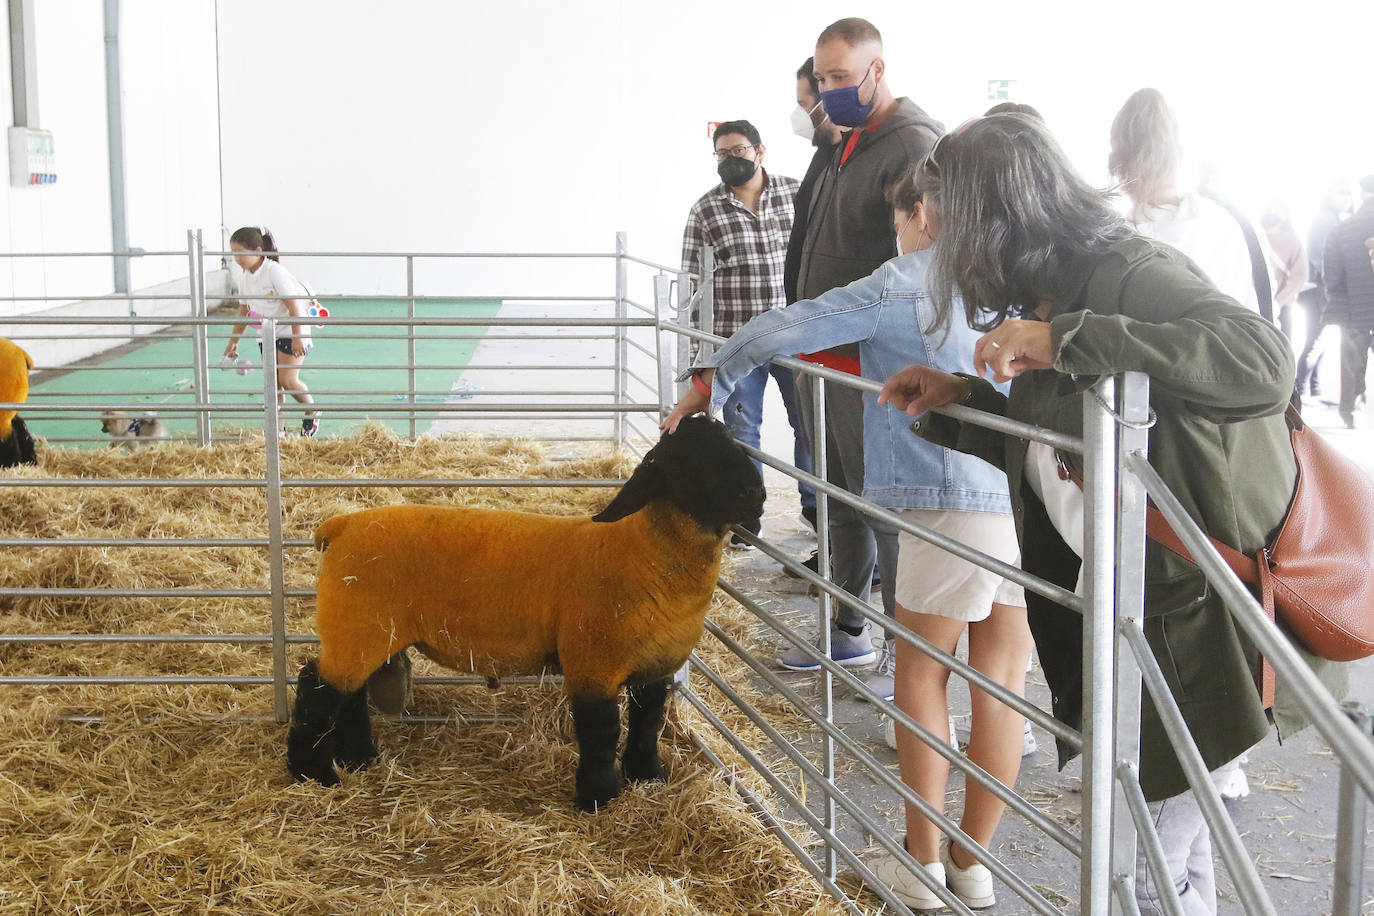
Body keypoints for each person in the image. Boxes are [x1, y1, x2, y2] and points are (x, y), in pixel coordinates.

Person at [877, 113, 1346, 916]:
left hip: (1192, 615)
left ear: (996, 217)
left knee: (1139, 859)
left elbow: (1260, 360)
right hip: (1137, 605)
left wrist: (1068, 339)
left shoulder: (1126, 271)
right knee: (1168, 859)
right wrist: (961, 405)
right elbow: (1065, 447)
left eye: (952, 223)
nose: (946, 245)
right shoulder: (1049, 291)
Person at [663, 170, 1030, 911]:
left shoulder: (905, 279)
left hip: (940, 499)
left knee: (922, 677)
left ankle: (922, 866)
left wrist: (710, 381)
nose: (898, 237)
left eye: (900, 223)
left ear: (920, 214)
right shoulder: (1010, 274)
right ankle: (973, 863)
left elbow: (784, 326)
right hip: (1018, 498)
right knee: (1003, 685)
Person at [782, 17, 943, 677]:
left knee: (887, 510)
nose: (827, 90)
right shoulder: (844, 141)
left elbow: (927, 260)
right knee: (840, 502)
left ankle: (914, 663)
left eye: (841, 78)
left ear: (878, 71)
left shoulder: (913, 147)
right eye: (822, 78)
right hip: (824, 359)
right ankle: (849, 628)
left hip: (873, 365)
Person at [681, 120, 808, 544]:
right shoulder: (705, 210)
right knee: (742, 432)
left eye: (738, 151)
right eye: (721, 154)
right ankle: (747, 517)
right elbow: (692, 285)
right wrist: (703, 355)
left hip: (795, 336)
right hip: (737, 342)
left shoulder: (797, 193)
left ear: (759, 150)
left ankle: (815, 508)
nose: (730, 160)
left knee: (808, 425)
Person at [1108, 89, 1260, 313]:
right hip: (1243, 347)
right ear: (1178, 154)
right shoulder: (1241, 226)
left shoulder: (1121, 244)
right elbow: (1265, 313)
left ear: (1117, 165)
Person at [223, 226, 320, 437]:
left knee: (288, 380)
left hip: (290, 329)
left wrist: (297, 337)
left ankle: (312, 410)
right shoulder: (244, 278)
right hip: (267, 334)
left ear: (258, 251)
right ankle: (279, 431)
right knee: (274, 385)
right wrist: (233, 342)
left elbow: (294, 307)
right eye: (234, 254)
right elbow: (244, 311)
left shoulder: (274, 271)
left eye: (241, 253)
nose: (237, 259)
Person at [1297, 180, 1356, 401]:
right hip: (1319, 289)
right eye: (1341, 192)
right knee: (1316, 339)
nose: (1345, 197)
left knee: (1320, 340)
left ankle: (1312, 387)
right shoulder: (1325, 220)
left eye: (1348, 192)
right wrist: (1335, 282)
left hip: (1320, 288)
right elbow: (1320, 257)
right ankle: (1300, 387)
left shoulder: (1333, 219)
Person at [1323, 174, 1374, 429]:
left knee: (1350, 362)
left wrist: (1339, 296)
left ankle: (1348, 412)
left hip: (1354, 309)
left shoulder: (1343, 228)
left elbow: (1330, 273)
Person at [1260, 202, 1309, 346]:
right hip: (1255, 304)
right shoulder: (1254, 234)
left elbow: (1299, 276)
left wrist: (1277, 301)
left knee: (1280, 349)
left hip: (1281, 307)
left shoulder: (1293, 240)